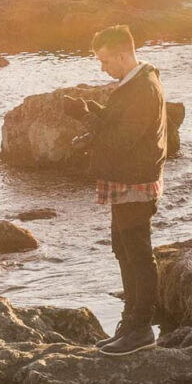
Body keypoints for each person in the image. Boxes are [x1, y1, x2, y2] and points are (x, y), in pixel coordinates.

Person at [68, 24, 168, 356]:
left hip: (135, 180)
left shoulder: (143, 89)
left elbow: (122, 139)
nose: (102, 67)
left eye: (105, 60)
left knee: (137, 255)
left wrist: (87, 123)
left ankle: (141, 329)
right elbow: (119, 124)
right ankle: (131, 323)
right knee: (123, 250)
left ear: (123, 55)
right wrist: (89, 112)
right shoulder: (132, 84)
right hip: (125, 179)